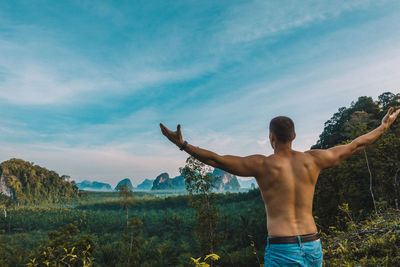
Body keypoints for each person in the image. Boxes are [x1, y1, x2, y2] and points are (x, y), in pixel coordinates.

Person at [159, 107, 400, 266]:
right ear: (293, 136)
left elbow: (216, 159)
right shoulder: (314, 160)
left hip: (283, 249)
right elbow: (355, 145)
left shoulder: (263, 165)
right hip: (313, 245)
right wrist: (383, 126)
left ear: (271, 137)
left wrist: (183, 145)